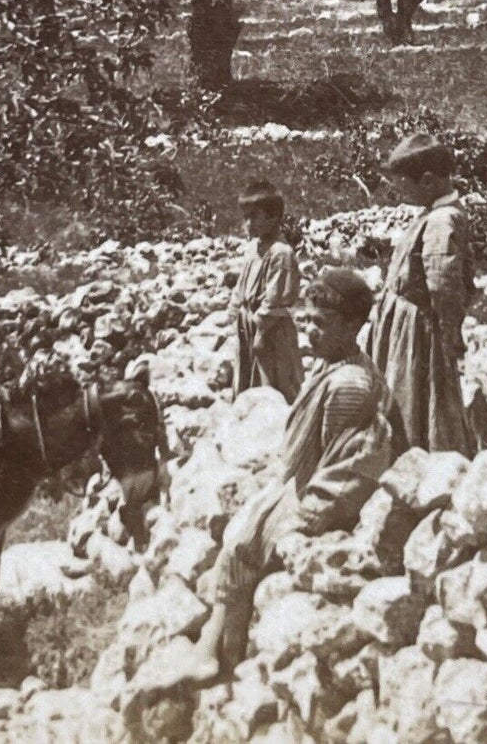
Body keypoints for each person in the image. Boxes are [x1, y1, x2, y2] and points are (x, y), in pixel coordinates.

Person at [155, 268, 397, 687]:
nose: (309, 333)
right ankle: (217, 648)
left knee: (243, 545)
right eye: (306, 322)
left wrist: (298, 516)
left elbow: (343, 468)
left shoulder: (350, 386)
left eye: (321, 324)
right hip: (305, 483)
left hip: (325, 500)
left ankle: (217, 656)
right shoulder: (332, 367)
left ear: (353, 327)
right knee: (240, 530)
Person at [367, 133, 475, 457]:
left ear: (427, 182)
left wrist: (449, 330)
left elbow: (443, 282)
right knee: (402, 385)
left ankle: (419, 451)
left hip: (418, 326)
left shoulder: (443, 220)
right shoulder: (433, 214)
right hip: (404, 319)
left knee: (417, 389)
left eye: (403, 186)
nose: (399, 193)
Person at [231, 181, 303, 404]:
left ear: (274, 218)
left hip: (270, 329)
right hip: (248, 323)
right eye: (246, 218)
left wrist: (261, 332)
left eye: (255, 216)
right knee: (246, 374)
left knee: (273, 378)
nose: (248, 223)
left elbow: (275, 297)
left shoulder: (280, 253)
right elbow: (241, 285)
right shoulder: (253, 248)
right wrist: (235, 313)